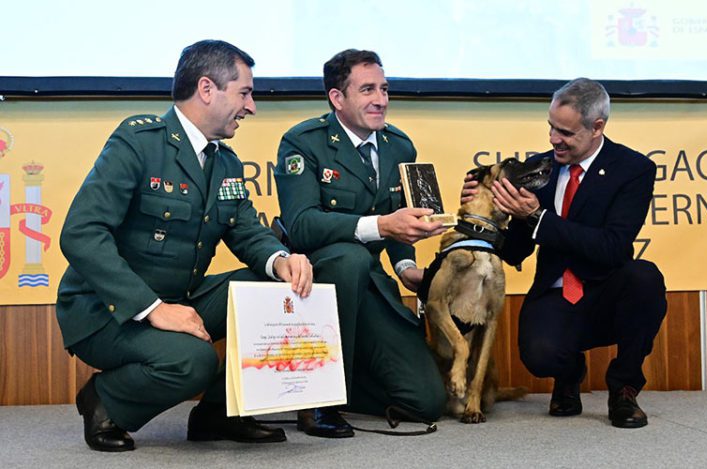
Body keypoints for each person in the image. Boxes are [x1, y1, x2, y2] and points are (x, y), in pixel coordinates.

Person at [56, 40, 313, 452]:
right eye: (245, 93)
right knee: (194, 361)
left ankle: (218, 414)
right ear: (208, 89)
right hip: (105, 310)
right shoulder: (139, 142)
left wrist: (281, 260)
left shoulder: (224, 161)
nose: (252, 107)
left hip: (179, 298)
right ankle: (105, 400)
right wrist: (154, 309)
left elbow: (245, 229)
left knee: (277, 290)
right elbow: (81, 234)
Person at [463, 78, 667, 428]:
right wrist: (485, 212)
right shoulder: (539, 167)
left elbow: (612, 246)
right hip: (556, 291)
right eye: (551, 128)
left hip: (608, 289)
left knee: (645, 277)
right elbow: (515, 252)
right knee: (539, 355)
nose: (554, 139)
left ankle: (624, 390)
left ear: (597, 127)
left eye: (566, 132)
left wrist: (538, 218)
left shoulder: (632, 169)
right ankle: (569, 374)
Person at [274, 49, 447, 438]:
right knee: (349, 258)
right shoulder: (304, 142)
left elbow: (402, 220)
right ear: (338, 98)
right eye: (367, 89)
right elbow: (301, 225)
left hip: (369, 281)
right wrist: (381, 226)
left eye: (384, 89)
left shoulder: (398, 146)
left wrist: (406, 269)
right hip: (320, 280)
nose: (381, 100)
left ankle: (342, 385)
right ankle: (319, 399)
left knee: (426, 402)